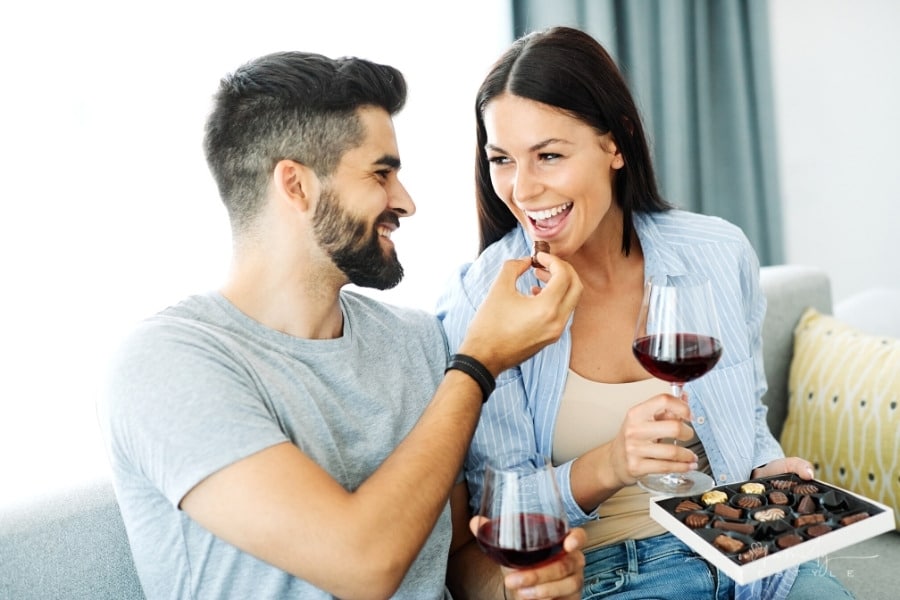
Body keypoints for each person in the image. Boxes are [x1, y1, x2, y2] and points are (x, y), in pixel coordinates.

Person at [97, 50, 588, 600]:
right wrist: (478, 364)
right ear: (296, 185)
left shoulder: (414, 341)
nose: (406, 202)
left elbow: (452, 557)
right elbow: (363, 566)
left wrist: (516, 589)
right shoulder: (167, 363)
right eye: (381, 173)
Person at [436, 26, 854, 600]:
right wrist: (609, 464)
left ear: (616, 144)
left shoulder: (716, 253)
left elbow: (748, 416)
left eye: (549, 156)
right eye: (502, 159)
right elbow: (497, 506)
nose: (523, 190)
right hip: (615, 572)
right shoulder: (484, 297)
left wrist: (766, 470)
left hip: (753, 549)